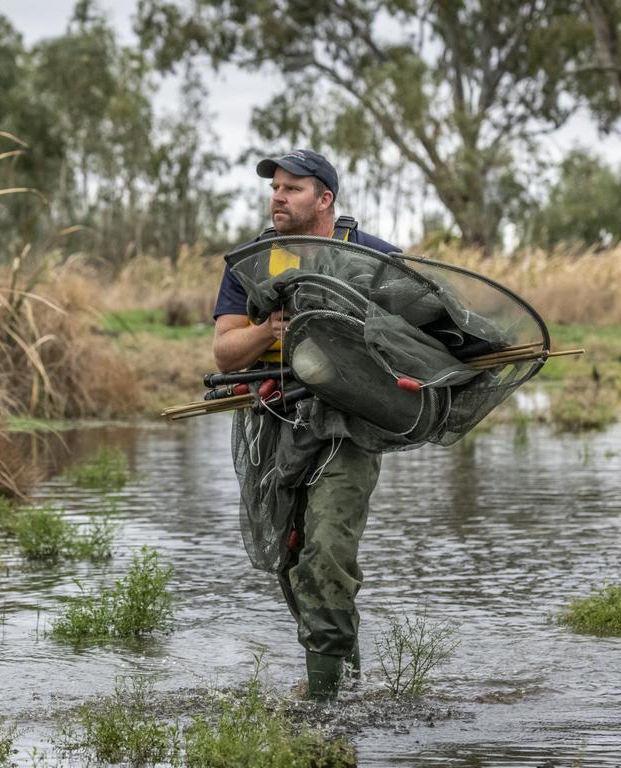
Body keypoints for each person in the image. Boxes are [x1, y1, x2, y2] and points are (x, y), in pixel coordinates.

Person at [212, 149, 399, 702]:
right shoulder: (251, 263)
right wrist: (270, 329)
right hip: (276, 418)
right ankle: (348, 684)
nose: (277, 197)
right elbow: (225, 355)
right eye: (275, 188)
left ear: (325, 199)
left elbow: (419, 331)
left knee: (326, 552)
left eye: (292, 188)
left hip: (351, 424)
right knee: (292, 560)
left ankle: (322, 705)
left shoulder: (374, 258)